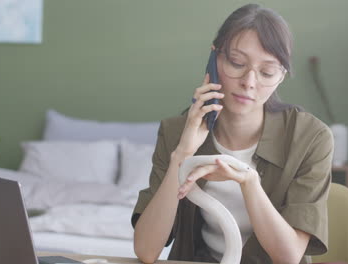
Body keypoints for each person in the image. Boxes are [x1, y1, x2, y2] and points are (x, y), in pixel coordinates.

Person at [131, 3, 333, 264]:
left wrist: (249, 183)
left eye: (267, 72)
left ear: (281, 77)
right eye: (237, 63)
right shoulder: (175, 132)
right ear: (214, 58)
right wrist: (182, 154)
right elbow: (146, 251)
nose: (249, 82)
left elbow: (288, 257)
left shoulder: (310, 138)